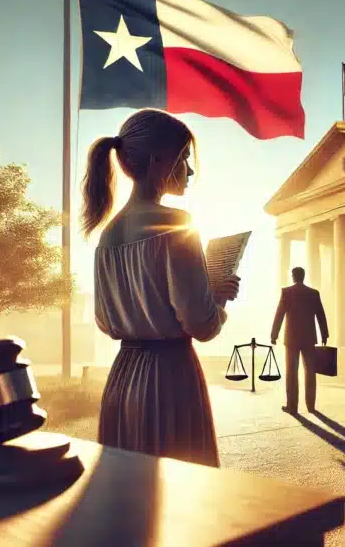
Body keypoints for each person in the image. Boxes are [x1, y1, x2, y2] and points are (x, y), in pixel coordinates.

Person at [82, 108, 240, 468]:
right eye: (183, 158)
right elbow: (202, 326)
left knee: (126, 498)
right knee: (181, 500)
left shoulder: (107, 235)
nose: (190, 169)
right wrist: (218, 296)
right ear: (158, 161)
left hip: (122, 380)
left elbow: (105, 321)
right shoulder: (176, 224)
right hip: (170, 379)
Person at [271, 267, 329, 414]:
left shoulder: (287, 292)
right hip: (309, 338)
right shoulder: (313, 293)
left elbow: (279, 314)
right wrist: (324, 334)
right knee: (310, 372)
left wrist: (274, 334)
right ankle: (311, 406)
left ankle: (292, 406)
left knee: (291, 372)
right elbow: (321, 315)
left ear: (293, 277)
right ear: (303, 276)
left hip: (291, 339)